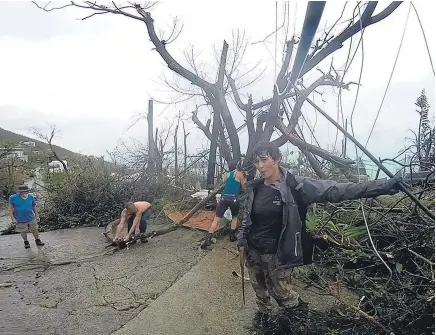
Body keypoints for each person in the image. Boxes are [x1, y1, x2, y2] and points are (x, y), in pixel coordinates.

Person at [236, 141, 402, 316]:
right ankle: (264, 319)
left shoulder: (296, 186)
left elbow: (338, 190)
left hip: (278, 254)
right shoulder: (255, 188)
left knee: (283, 295)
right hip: (253, 250)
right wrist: (241, 238)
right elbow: (247, 216)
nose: (260, 166)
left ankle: (298, 319)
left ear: (277, 159)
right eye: (256, 162)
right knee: (260, 292)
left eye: (264, 160)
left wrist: (385, 186)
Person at [200, 159, 247, 249]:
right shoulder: (239, 173)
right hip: (233, 198)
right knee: (234, 217)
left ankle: (208, 239)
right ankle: (232, 236)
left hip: (223, 198)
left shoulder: (228, 174)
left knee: (216, 219)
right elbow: (244, 187)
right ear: (237, 165)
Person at [9, 184, 45, 249]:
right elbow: (10, 209)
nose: (23, 193)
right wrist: (13, 219)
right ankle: (26, 242)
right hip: (19, 218)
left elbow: (34, 206)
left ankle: (37, 240)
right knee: (22, 231)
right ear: (19, 191)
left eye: (25, 191)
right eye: (21, 192)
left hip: (31, 217)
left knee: (35, 229)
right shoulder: (12, 197)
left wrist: (37, 215)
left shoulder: (31, 197)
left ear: (27, 191)